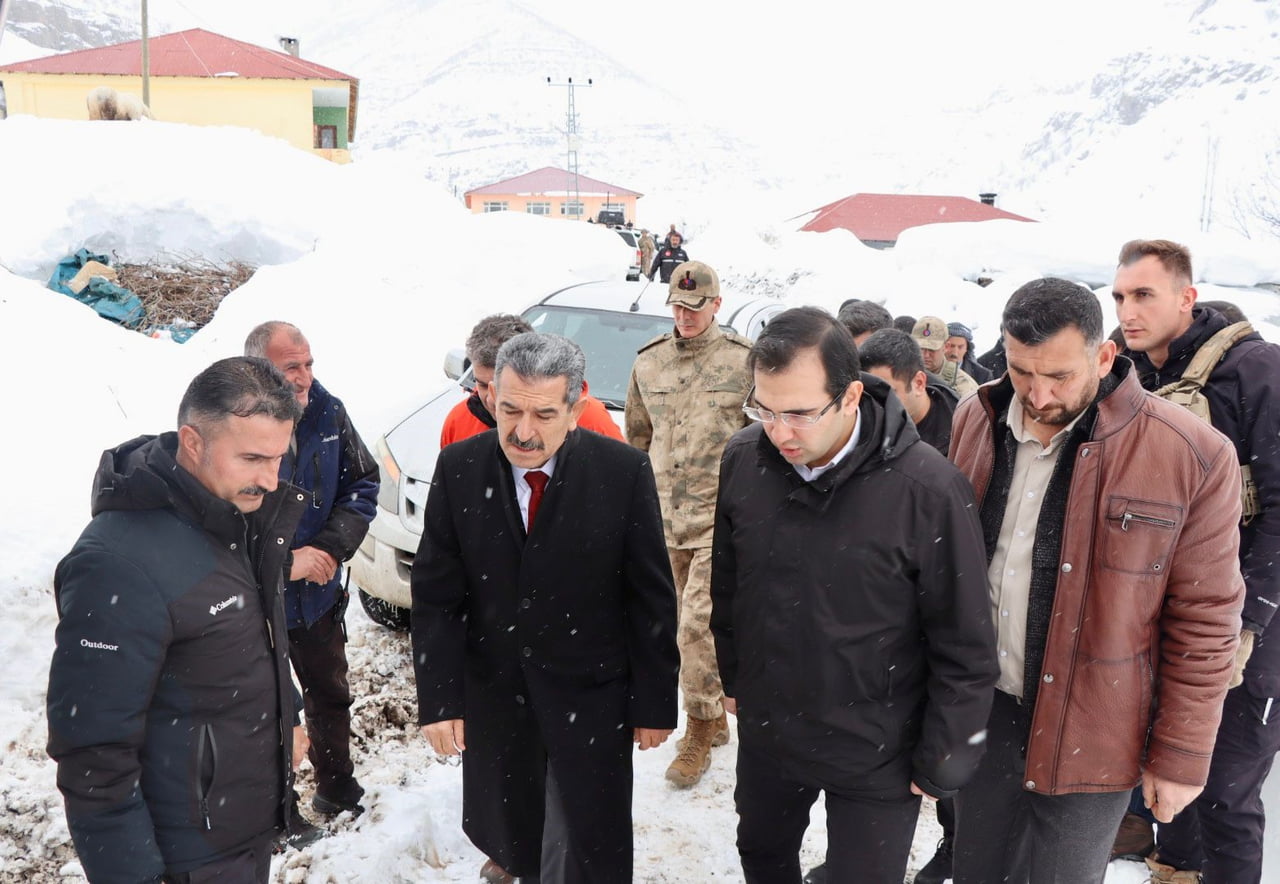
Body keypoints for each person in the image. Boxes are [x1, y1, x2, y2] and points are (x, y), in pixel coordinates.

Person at [947, 277, 1247, 884]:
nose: (1036, 393)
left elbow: (1207, 618)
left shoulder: (1192, 454)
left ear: (1104, 355)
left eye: (1059, 375)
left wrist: (1182, 756)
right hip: (985, 710)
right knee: (976, 869)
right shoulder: (974, 417)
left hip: (1097, 724)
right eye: (1021, 370)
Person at [711, 307, 998, 883]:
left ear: (848, 397)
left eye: (798, 413)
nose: (778, 430)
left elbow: (964, 639)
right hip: (773, 727)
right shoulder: (746, 459)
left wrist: (945, 755)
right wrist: (737, 677)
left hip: (877, 743)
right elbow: (730, 584)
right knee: (762, 855)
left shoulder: (928, 489)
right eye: (763, 408)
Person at [412, 332, 679, 884]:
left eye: (543, 414)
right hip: (499, 691)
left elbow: (649, 594)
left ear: (577, 408)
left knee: (588, 834)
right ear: (491, 398)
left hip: (593, 689)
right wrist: (439, 698)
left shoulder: (622, 472)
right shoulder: (460, 468)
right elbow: (437, 595)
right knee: (514, 823)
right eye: (509, 409)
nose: (523, 431)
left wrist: (655, 700)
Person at [47, 357, 307, 883]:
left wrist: (289, 712)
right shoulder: (119, 565)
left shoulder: (237, 513)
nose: (271, 479)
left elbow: (251, 637)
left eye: (279, 458)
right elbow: (93, 753)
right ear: (193, 442)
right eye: (253, 458)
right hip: (185, 852)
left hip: (245, 825)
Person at [1112, 239, 1280, 884]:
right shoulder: (1129, 372)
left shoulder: (1255, 371)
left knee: (1225, 793)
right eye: (1121, 296)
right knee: (1168, 779)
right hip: (1158, 611)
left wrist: (1249, 622)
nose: (1128, 310)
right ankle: (1173, 870)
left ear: (1187, 297)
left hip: (1246, 622)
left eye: (1145, 295)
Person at [798, 325, 962, 884]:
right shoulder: (853, 444)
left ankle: (953, 848)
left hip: (937, 627)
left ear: (920, 382)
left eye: (885, 391)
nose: (871, 403)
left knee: (944, 778)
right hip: (873, 657)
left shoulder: (960, 435)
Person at [244, 322, 378, 827]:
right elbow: (216, 525)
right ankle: (279, 814)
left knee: (330, 692)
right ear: (259, 371)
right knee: (270, 709)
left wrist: (329, 546)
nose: (304, 378)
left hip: (318, 596)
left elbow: (362, 482)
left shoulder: (327, 410)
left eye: (308, 364)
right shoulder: (230, 425)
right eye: (290, 368)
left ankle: (337, 786)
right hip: (255, 604)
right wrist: (282, 560)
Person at [625, 260, 751, 787]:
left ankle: (698, 730)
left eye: (696, 307)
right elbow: (636, 437)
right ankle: (713, 715)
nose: (685, 315)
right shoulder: (648, 364)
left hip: (718, 521)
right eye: (677, 306)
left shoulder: (744, 363)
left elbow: (763, 442)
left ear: (716, 305)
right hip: (662, 520)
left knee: (696, 625)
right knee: (672, 628)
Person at [441, 314, 622, 448]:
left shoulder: (589, 418)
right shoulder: (459, 421)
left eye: (500, 386)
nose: (490, 398)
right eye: (481, 384)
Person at [858, 328, 960, 455]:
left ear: (919, 383)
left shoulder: (962, 432)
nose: (876, 403)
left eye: (887, 393)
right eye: (869, 394)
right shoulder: (859, 420)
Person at [912, 315, 979, 396]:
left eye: (932, 350)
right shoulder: (901, 375)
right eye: (921, 349)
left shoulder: (963, 385)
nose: (926, 355)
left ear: (946, 347)